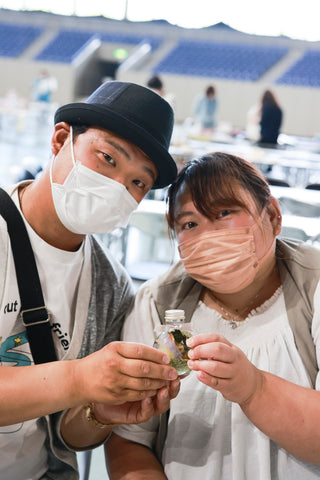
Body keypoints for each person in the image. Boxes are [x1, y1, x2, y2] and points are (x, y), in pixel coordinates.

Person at [0, 80, 180, 479]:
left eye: (138, 182)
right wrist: (80, 378)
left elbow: (67, 434)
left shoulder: (110, 284)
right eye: (107, 159)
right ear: (61, 139)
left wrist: (99, 412)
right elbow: (73, 381)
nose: (118, 187)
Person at [105, 152, 320, 480]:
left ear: (273, 216)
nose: (208, 235)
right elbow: (129, 440)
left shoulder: (314, 287)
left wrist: (253, 388)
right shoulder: (159, 303)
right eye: (189, 223)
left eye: (224, 212)